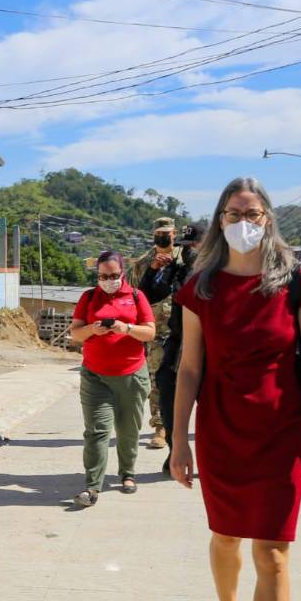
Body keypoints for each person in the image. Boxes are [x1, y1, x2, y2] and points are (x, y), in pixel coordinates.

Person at [171, 177, 301, 601]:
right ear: (220, 220)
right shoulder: (200, 288)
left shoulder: (298, 282)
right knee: (226, 538)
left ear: (269, 219)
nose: (245, 221)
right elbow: (189, 368)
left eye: (255, 213)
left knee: (274, 554)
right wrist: (179, 440)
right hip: (222, 430)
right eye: (235, 213)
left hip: (283, 433)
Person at [69, 251, 156, 507]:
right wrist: (92, 329)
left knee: (128, 430)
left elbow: (150, 333)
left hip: (131, 375)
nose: (109, 280)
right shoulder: (89, 297)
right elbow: (76, 334)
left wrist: (126, 328)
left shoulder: (136, 296)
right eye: (103, 276)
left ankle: (128, 473)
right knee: (96, 431)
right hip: (95, 376)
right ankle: (92, 486)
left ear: (123, 273)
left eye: (114, 275)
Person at [138, 223, 205, 473]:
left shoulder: (220, 271)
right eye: (185, 246)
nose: (189, 251)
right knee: (166, 390)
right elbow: (148, 295)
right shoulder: (178, 269)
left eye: (193, 245)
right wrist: (154, 269)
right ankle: (174, 449)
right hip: (180, 341)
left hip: (211, 344)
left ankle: (214, 456)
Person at [130, 217, 178, 451]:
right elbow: (135, 296)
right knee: (157, 378)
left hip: (185, 328)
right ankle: (160, 426)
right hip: (156, 331)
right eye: (159, 233)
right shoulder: (143, 263)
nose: (163, 236)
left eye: (167, 233)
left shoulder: (187, 258)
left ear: (174, 234)